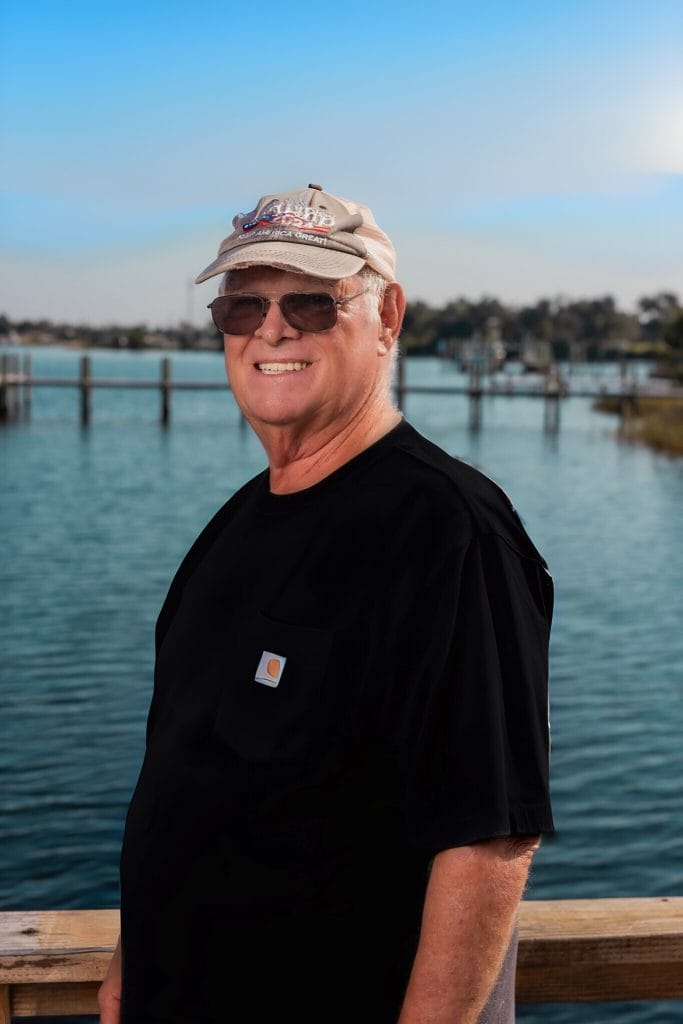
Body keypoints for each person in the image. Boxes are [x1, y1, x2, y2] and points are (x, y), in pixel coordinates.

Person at [99, 184, 554, 1024]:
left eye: (310, 302)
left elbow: (489, 837)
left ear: (387, 316)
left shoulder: (452, 533)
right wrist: (131, 964)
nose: (271, 329)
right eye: (242, 307)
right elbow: (184, 772)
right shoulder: (234, 526)